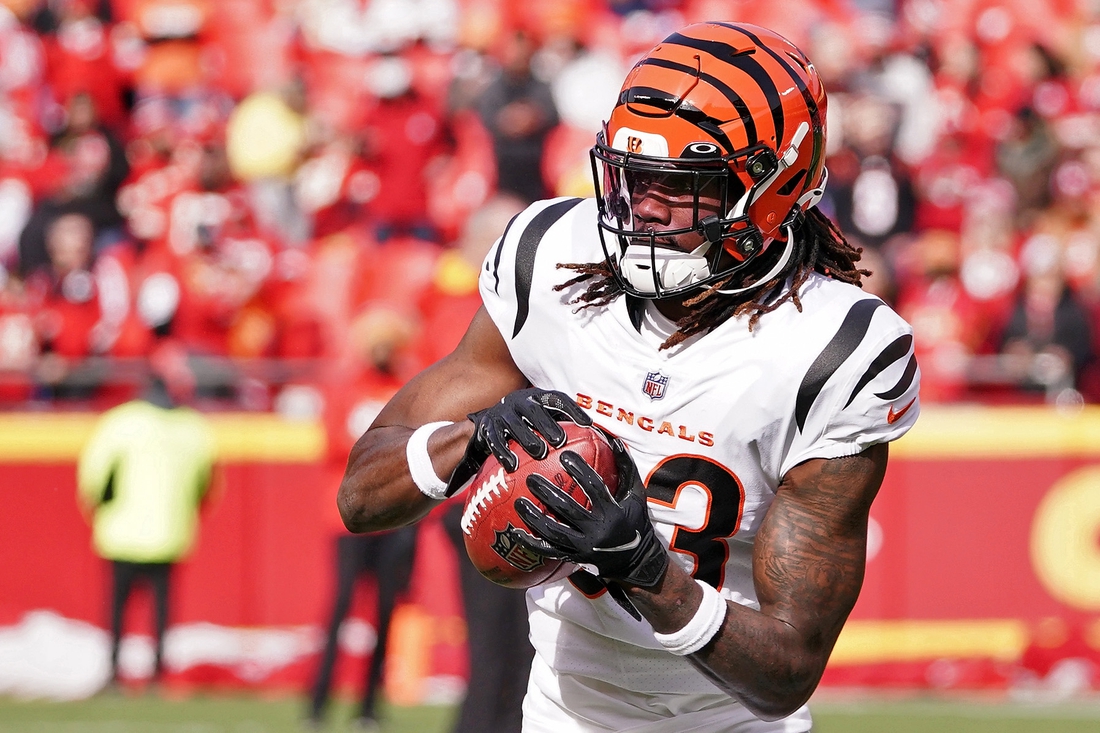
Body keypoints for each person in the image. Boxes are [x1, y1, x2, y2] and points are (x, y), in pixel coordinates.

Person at [338, 21, 921, 733]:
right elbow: (359, 497)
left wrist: (645, 569)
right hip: (561, 716)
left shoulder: (834, 348)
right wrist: (469, 440)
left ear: (774, 188)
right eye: (631, 174)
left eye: (681, 185)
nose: (641, 204)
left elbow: (787, 672)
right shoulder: (551, 257)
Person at [77, 341, 216, 686]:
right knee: (161, 610)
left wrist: (98, 510)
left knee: (118, 608)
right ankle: (157, 672)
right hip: (169, 533)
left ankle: (112, 671)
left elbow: (93, 477)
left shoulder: (120, 422)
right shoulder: (193, 427)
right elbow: (207, 484)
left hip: (120, 532)